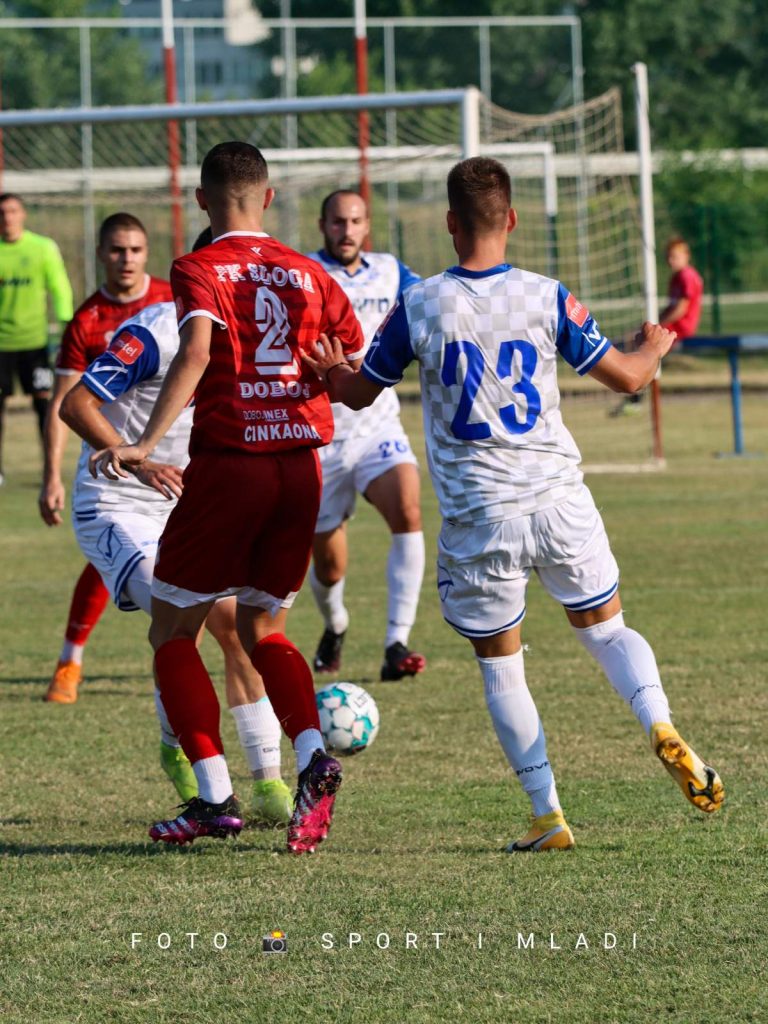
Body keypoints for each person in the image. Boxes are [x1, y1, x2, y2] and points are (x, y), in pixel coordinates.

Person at [304, 156, 724, 852]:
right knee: (607, 631)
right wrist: (653, 347)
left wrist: (331, 372)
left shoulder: (422, 302)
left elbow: (355, 393)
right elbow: (624, 378)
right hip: (558, 499)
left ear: (449, 224)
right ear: (513, 219)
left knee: (503, 666)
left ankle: (547, 814)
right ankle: (658, 721)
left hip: (479, 514)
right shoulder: (545, 294)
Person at [91, 142, 364, 854]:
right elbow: (353, 369)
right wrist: (328, 379)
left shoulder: (198, 266)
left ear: (203, 203)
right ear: (269, 199)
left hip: (232, 463)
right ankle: (312, 759)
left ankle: (213, 796)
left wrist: (147, 443)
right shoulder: (312, 272)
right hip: (302, 465)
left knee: (171, 630)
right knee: (262, 631)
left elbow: (197, 353)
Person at [61, 283, 294, 826]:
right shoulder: (152, 334)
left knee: (231, 627)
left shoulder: (252, 338)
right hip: (117, 506)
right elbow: (75, 403)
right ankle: (210, 786)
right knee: (195, 618)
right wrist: (141, 463)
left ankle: (269, 781)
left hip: (186, 507)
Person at [39, 212, 172, 704]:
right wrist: (51, 474)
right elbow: (63, 405)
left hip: (174, 473)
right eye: (117, 250)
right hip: (114, 473)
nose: (127, 259)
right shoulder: (88, 320)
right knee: (110, 562)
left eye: (136, 249)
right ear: (101, 255)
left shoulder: (170, 304)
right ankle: (70, 660)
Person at [306, 192, 426, 681]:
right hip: (324, 435)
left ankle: (397, 642)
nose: (347, 230)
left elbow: (432, 303)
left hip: (377, 425)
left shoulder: (393, 271)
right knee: (330, 565)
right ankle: (336, 623)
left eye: (356, 221)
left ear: (367, 224)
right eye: (338, 222)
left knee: (408, 509)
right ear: (323, 225)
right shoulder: (303, 273)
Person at [0, 193, 73, 485]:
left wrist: (68, 325)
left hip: (35, 344)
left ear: (23, 214)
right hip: (1, 345)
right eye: (2, 212)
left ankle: (50, 468)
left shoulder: (42, 248)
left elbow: (60, 287)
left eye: (13, 211)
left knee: (45, 406)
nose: (7, 217)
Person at [614, 236, 704, 414]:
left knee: (643, 345)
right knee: (638, 339)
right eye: (669, 257)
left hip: (681, 326)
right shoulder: (676, 277)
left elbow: (681, 308)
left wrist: (660, 323)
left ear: (687, 256)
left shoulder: (687, 276)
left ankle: (635, 396)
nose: (671, 261)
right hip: (674, 324)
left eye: (675, 257)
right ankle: (634, 393)